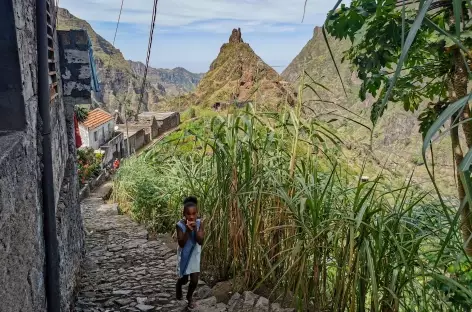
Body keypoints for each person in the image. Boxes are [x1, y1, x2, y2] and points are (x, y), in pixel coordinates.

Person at [176, 196, 204, 309]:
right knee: (184, 279)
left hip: (194, 254)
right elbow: (181, 243)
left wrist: (195, 229)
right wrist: (187, 230)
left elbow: (200, 240)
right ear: (184, 214)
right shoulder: (180, 225)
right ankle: (179, 284)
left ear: (197, 213)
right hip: (184, 254)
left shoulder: (199, 223)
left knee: (194, 280)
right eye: (188, 214)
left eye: (194, 214)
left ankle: (189, 297)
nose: (191, 216)